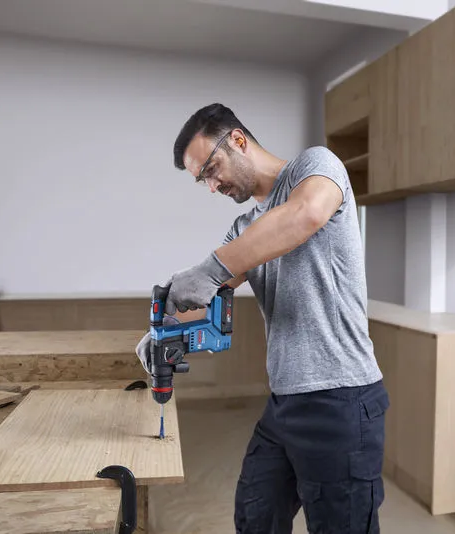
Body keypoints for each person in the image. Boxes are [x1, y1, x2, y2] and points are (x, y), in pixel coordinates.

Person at [136, 103, 389, 533]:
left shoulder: (316, 167)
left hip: (340, 399)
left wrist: (212, 268)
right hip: (284, 401)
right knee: (256, 516)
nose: (212, 186)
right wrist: (165, 329)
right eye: (202, 180)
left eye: (211, 169)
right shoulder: (244, 230)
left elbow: (305, 214)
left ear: (237, 140)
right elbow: (210, 291)